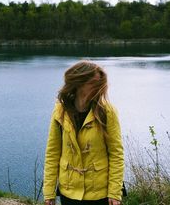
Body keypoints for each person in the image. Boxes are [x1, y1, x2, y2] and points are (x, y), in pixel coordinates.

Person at [43, 61, 124, 205]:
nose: (99, 86)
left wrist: (115, 193)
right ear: (79, 83)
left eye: (100, 83)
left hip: (99, 194)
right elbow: (52, 153)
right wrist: (49, 192)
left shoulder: (108, 112)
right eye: (93, 83)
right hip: (68, 191)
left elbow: (116, 154)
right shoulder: (60, 111)